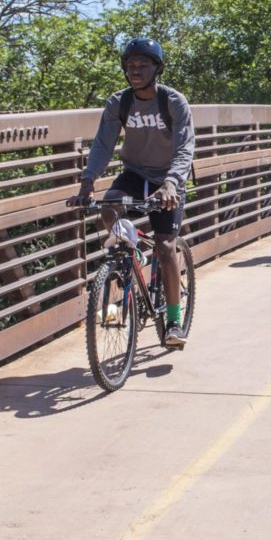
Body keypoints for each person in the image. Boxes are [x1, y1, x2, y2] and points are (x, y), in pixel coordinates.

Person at [69, 37, 196, 347]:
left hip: (168, 180)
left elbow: (185, 147)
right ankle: (126, 268)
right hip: (134, 173)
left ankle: (174, 322)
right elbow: (103, 144)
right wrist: (87, 184)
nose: (135, 71)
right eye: (130, 66)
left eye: (142, 66)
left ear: (157, 68)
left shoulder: (173, 101)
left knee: (166, 248)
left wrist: (171, 183)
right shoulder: (118, 103)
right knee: (109, 211)